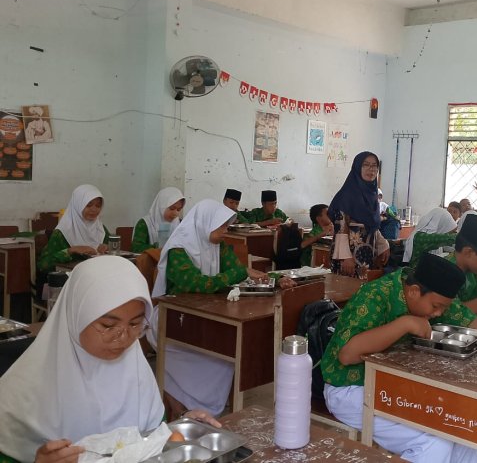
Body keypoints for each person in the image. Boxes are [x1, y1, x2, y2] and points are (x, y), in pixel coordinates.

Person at [0, 256, 219, 463]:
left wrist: (182, 422)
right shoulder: (20, 393)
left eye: (135, 324)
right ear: (75, 315)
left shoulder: (134, 367)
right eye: (108, 325)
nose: (124, 338)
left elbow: (148, 437)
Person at [321, 253, 477, 463]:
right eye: (436, 307)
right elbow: (347, 355)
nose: (439, 313)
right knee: (435, 442)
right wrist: (404, 324)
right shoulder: (374, 296)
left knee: (462, 432)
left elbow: (468, 319)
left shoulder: (432, 298)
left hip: (393, 386)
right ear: (414, 291)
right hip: (350, 389)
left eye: (444, 308)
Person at [149, 199, 291, 416]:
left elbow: (240, 272)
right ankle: (179, 401)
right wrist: (240, 273)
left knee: (227, 351)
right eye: (222, 225)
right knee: (215, 350)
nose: (226, 230)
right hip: (174, 318)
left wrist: (273, 278)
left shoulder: (219, 245)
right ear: (205, 222)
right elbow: (196, 284)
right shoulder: (178, 249)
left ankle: (200, 406)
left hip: (208, 314)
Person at [328, 151, 390, 278]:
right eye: (365, 165)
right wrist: (345, 256)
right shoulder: (347, 195)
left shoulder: (372, 196)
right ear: (357, 167)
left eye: (374, 166)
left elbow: (371, 225)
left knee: (364, 287)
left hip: (366, 255)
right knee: (346, 287)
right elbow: (341, 227)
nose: (371, 169)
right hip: (348, 257)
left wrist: (383, 244)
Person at [38, 184, 110, 273]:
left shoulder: (100, 229)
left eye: (98, 206)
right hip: (71, 278)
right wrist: (71, 250)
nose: (94, 209)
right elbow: (43, 265)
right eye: (89, 205)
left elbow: (112, 251)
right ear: (78, 205)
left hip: (97, 274)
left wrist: (107, 248)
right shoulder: (62, 232)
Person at [131, 187, 185, 253]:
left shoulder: (181, 224)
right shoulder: (144, 224)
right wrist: (158, 247)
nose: (175, 213)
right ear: (161, 205)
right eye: (172, 208)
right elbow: (136, 248)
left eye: (179, 209)